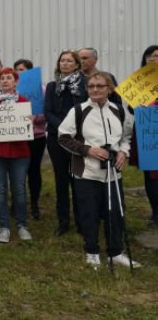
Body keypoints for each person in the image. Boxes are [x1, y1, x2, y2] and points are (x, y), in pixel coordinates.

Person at [58, 72, 140, 268]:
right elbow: (63, 137)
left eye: (100, 86)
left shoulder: (118, 110)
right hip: (86, 172)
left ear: (109, 89)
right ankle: (92, 251)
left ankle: (116, 252)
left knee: (115, 212)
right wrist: (88, 150)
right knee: (89, 213)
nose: (95, 89)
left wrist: (123, 152)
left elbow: (125, 137)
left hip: (112, 172)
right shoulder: (78, 110)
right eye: (91, 86)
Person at [0, 68, 32, 243]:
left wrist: (30, 120)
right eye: (2, 78)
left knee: (19, 189)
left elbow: (31, 122)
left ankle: (22, 225)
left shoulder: (24, 102)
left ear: (16, 82)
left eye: (9, 78)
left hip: (19, 152)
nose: (5, 81)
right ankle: (4, 226)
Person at [44, 50, 88, 236]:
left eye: (70, 61)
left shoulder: (85, 84)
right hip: (57, 138)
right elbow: (48, 112)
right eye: (62, 60)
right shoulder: (52, 85)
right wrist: (64, 128)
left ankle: (81, 221)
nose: (65, 64)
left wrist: (74, 129)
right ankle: (63, 221)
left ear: (77, 65)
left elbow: (88, 108)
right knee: (61, 180)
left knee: (78, 179)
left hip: (79, 138)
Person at [13, 59, 46, 220]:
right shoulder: (10, 90)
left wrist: (36, 118)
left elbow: (47, 111)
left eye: (23, 69)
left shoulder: (41, 90)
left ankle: (34, 203)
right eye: (17, 70)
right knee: (16, 172)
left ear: (30, 71)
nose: (20, 72)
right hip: (16, 137)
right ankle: (17, 203)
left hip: (36, 137)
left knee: (33, 171)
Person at [129, 45, 158, 227]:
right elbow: (131, 108)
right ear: (145, 59)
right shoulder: (141, 81)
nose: (154, 59)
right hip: (148, 132)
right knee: (151, 175)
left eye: (157, 56)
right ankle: (155, 212)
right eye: (151, 56)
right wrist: (140, 105)